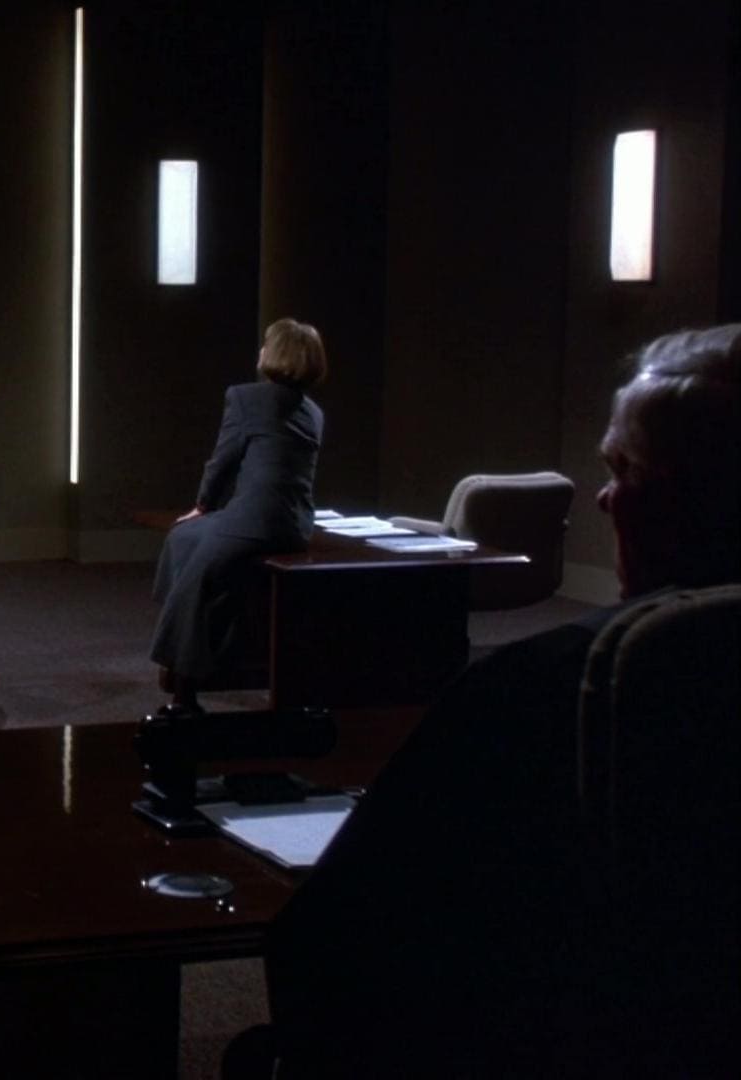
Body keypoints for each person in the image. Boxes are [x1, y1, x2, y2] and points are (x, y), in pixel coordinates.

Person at [260, 324, 740, 1077]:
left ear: (695, 496)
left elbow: (338, 942)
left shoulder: (541, 696)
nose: (605, 498)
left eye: (625, 470)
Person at [150, 318, 326, 711]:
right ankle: (187, 646)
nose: (260, 350)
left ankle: (183, 689)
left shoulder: (247, 398)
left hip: (255, 519)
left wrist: (202, 506)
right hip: (294, 524)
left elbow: (223, 460)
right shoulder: (314, 412)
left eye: (266, 344)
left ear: (275, 354)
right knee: (184, 539)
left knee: (193, 566)